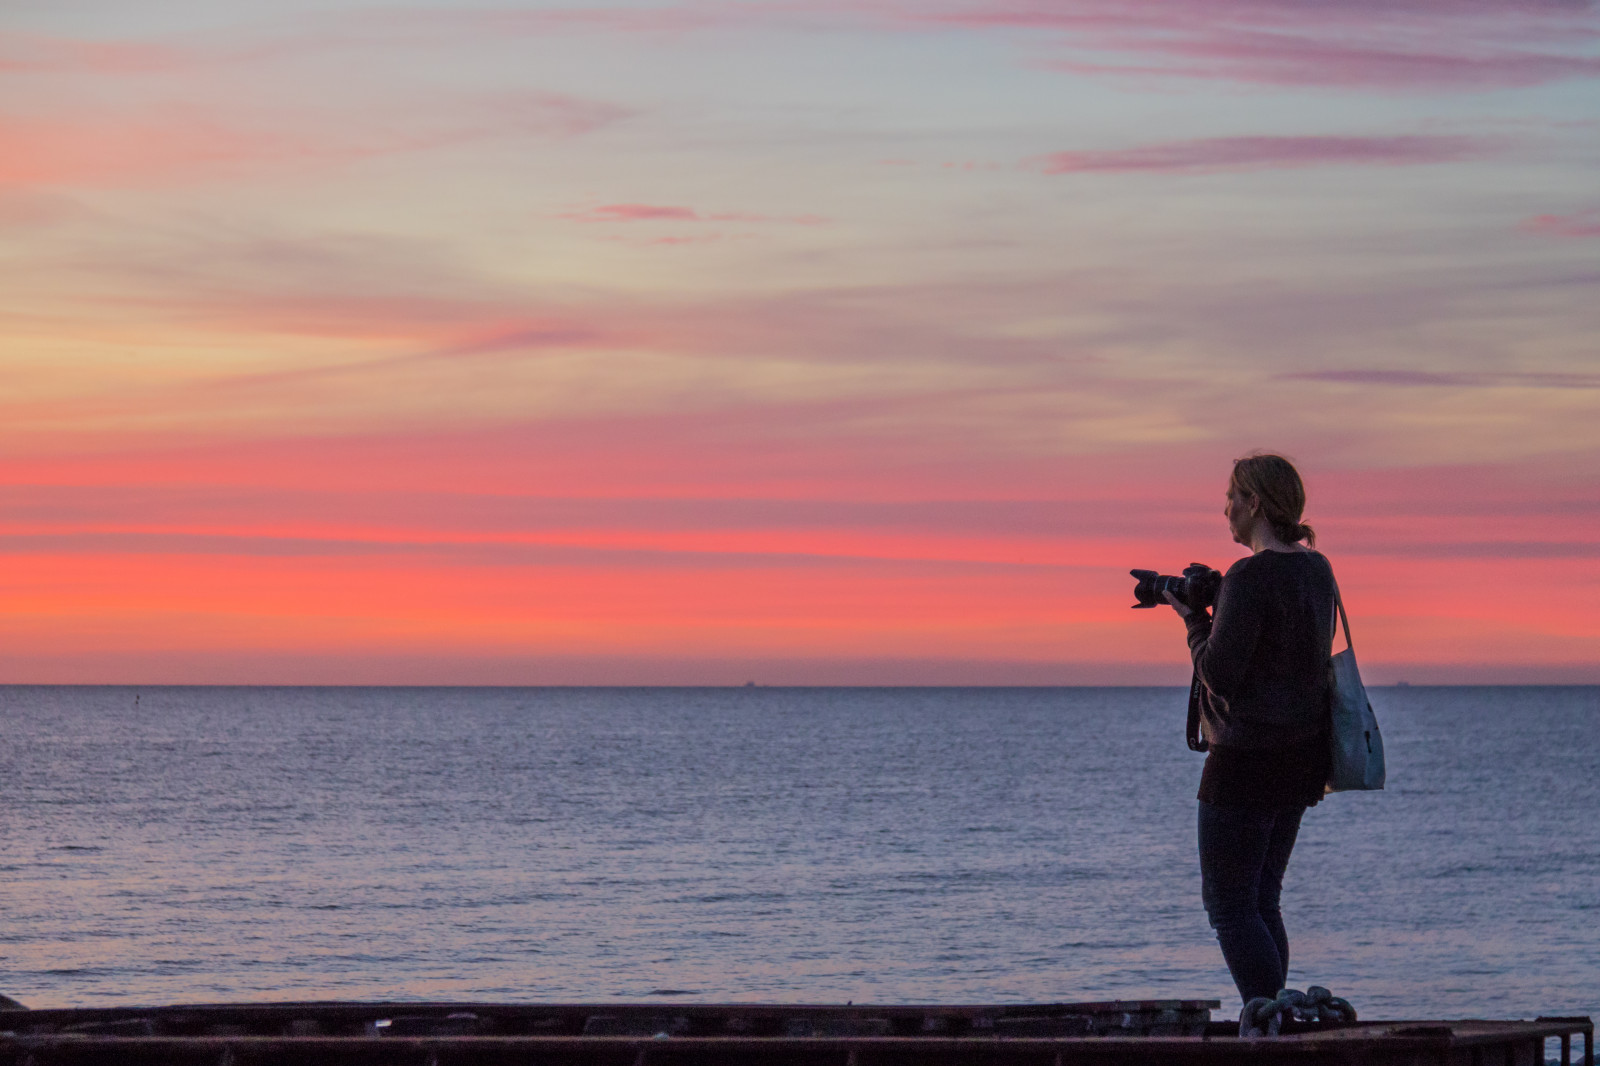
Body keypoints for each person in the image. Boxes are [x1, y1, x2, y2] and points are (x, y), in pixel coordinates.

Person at [1162, 453, 1336, 1012]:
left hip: (1244, 761)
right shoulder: (1317, 569)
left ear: (1255, 502)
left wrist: (1194, 617)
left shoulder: (1250, 576)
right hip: (1302, 758)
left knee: (1231, 906)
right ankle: (1277, 1013)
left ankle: (1268, 1020)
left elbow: (1219, 673)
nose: (1225, 510)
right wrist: (1220, 601)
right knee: (1263, 899)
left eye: (1231, 498)